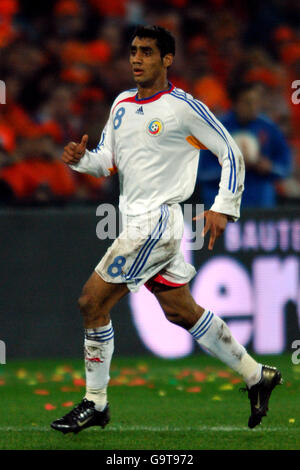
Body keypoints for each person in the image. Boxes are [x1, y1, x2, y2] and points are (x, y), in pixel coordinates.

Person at [51, 25, 282, 434]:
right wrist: (81, 159)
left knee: (91, 302)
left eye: (147, 52)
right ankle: (255, 374)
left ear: (167, 60)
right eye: (134, 51)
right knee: (180, 311)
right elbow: (107, 161)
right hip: (137, 221)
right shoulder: (121, 103)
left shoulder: (184, 108)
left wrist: (223, 207)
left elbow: (231, 152)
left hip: (157, 222)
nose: (136, 59)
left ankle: (96, 402)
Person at [197, 82, 291, 208]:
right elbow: (200, 173)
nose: (253, 107)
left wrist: (269, 167)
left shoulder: (270, 129)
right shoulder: (216, 129)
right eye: (247, 102)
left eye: (256, 102)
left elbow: (285, 167)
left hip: (260, 207)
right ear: (235, 103)